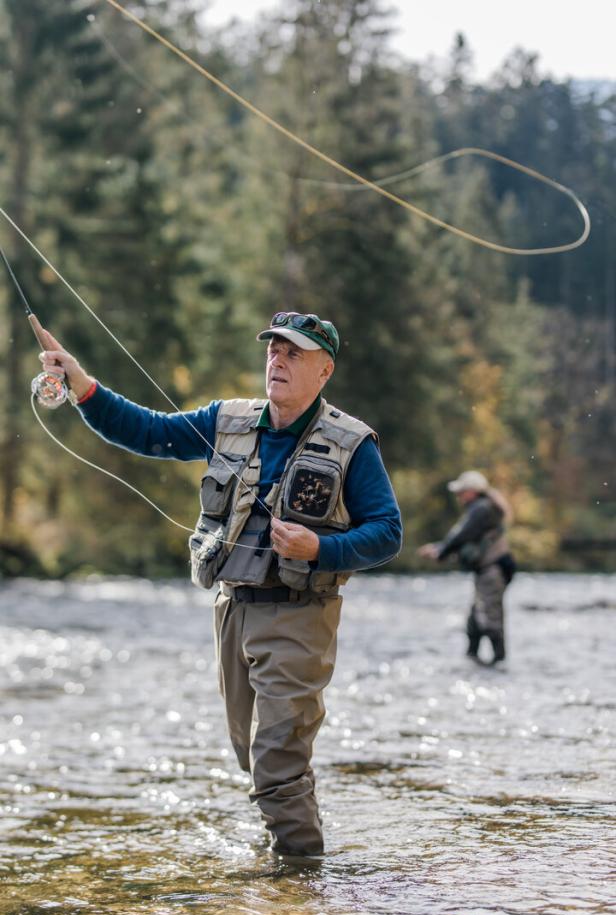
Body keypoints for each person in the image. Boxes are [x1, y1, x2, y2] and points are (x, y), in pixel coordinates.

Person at [38, 311, 402, 856]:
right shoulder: (227, 420)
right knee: (252, 753)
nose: (277, 360)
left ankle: (300, 885)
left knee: (277, 757)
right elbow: (147, 432)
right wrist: (82, 385)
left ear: (324, 371)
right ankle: (299, 863)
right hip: (231, 610)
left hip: (299, 614)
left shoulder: (353, 444)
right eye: (273, 350)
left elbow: (387, 532)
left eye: (293, 353)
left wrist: (320, 548)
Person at [419, 470, 515, 665]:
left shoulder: (481, 508)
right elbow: (464, 539)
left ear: (472, 491)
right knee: (475, 621)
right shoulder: (483, 507)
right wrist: (439, 548)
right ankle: (474, 662)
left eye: (461, 491)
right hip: (491, 570)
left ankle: (499, 664)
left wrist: (440, 552)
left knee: (489, 619)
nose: (458, 496)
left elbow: (460, 536)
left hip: (492, 570)